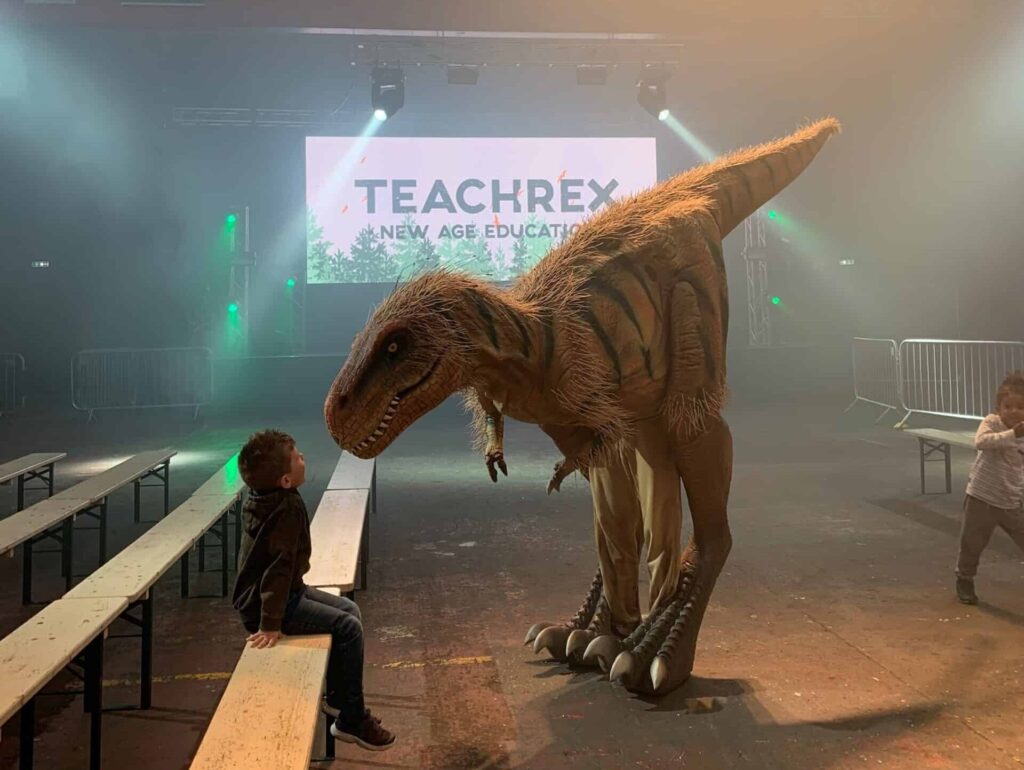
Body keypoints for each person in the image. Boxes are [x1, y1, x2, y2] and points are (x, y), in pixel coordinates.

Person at [232, 429, 395, 750]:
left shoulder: (265, 498)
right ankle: (351, 717)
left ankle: (338, 698)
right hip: (271, 606)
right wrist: (270, 623)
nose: (303, 457)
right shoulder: (286, 509)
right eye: (297, 457)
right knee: (348, 627)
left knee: (350, 609)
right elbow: (277, 569)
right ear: (285, 480)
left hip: (283, 594)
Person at [955, 373, 1024, 605]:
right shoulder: (991, 423)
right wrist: (1013, 434)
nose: (1014, 411)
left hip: (1011, 499)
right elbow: (981, 442)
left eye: (1021, 407)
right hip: (981, 498)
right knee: (972, 543)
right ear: (998, 407)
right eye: (1008, 406)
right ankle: (964, 578)